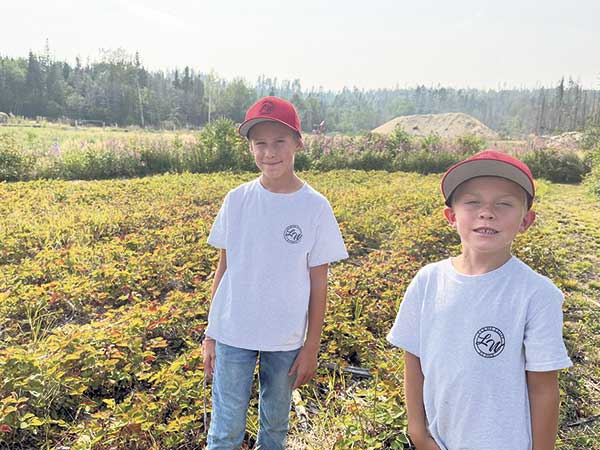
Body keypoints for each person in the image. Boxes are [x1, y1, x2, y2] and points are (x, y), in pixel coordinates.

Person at [387, 150, 572, 450]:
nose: (487, 212)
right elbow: (414, 360)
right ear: (451, 216)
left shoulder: (537, 294)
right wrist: (418, 433)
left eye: (504, 203)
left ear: (526, 220)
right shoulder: (428, 281)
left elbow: (543, 390)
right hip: (440, 442)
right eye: (473, 202)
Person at [202, 96, 348, 449]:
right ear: (250, 148)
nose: (269, 152)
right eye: (260, 143)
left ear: (297, 142)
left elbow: (319, 282)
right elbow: (224, 266)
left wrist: (311, 345)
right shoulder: (237, 200)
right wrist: (210, 333)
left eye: (279, 142)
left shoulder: (314, 206)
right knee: (225, 431)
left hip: (285, 340)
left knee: (274, 430)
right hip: (233, 333)